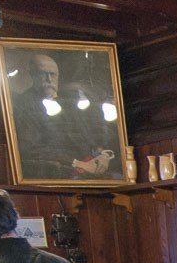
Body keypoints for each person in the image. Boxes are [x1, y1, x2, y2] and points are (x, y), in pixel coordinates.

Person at [12, 52, 120, 181]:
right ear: (33, 75)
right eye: (43, 74)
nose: (49, 80)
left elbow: (93, 135)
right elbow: (32, 148)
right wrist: (78, 163)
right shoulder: (24, 104)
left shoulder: (72, 103)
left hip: (87, 171)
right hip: (56, 173)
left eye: (52, 74)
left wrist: (104, 154)